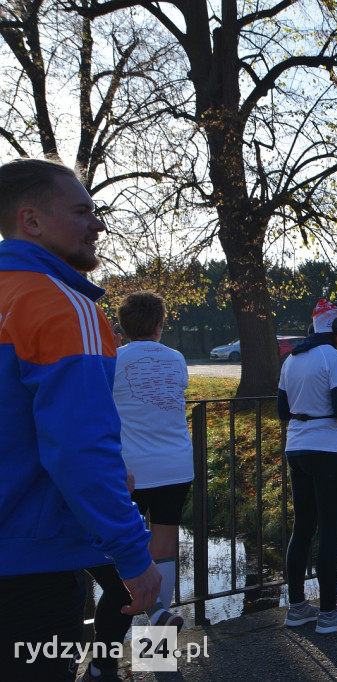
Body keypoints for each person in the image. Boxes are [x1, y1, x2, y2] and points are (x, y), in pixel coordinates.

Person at [0, 158, 160, 679]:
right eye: (82, 211)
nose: (98, 224)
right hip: (32, 565)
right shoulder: (62, 306)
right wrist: (134, 558)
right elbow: (79, 448)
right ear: (31, 221)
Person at [278, 299, 337, 633]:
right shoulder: (335, 358)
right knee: (330, 528)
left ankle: (298, 607)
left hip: (296, 447)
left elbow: (282, 411)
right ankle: (329, 614)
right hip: (328, 448)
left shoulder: (291, 360)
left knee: (303, 527)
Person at [114, 291, 195, 630]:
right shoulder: (176, 358)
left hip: (131, 470)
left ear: (123, 326)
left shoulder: (113, 360)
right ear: (160, 324)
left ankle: (149, 620)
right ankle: (159, 646)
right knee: (163, 547)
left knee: (123, 551)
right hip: (176, 465)